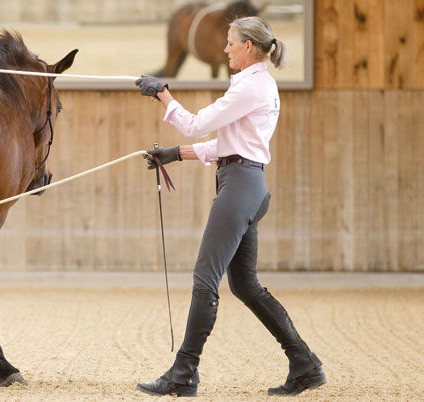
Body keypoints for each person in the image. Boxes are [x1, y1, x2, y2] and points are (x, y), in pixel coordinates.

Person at [133, 16, 325, 397]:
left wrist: (163, 95)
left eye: (231, 44)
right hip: (247, 185)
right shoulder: (260, 86)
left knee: (206, 280)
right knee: (245, 284)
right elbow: (227, 145)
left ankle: (183, 372)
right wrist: (176, 155)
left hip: (238, 189)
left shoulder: (249, 89)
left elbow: (195, 123)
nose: (225, 50)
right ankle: (305, 363)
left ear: (248, 47)